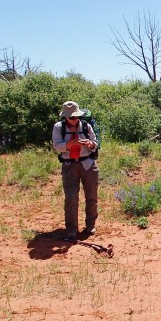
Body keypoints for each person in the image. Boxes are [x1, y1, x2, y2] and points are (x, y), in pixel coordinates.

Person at [52, 101, 99, 242]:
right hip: (69, 166)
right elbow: (56, 145)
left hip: (88, 165)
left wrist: (90, 144)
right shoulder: (58, 127)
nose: (75, 120)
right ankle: (71, 231)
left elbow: (95, 143)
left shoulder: (86, 126)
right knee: (71, 199)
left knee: (92, 198)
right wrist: (70, 144)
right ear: (65, 117)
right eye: (72, 117)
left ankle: (90, 226)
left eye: (77, 117)